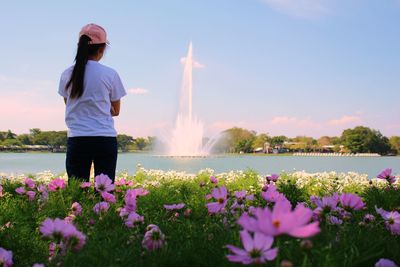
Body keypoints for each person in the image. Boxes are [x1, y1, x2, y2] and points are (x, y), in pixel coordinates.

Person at [58, 23, 126, 182]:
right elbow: (116, 111)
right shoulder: (110, 74)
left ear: (79, 46)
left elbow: (68, 103)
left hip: (78, 138)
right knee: (105, 193)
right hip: (104, 138)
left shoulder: (67, 74)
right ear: (102, 49)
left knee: (77, 193)